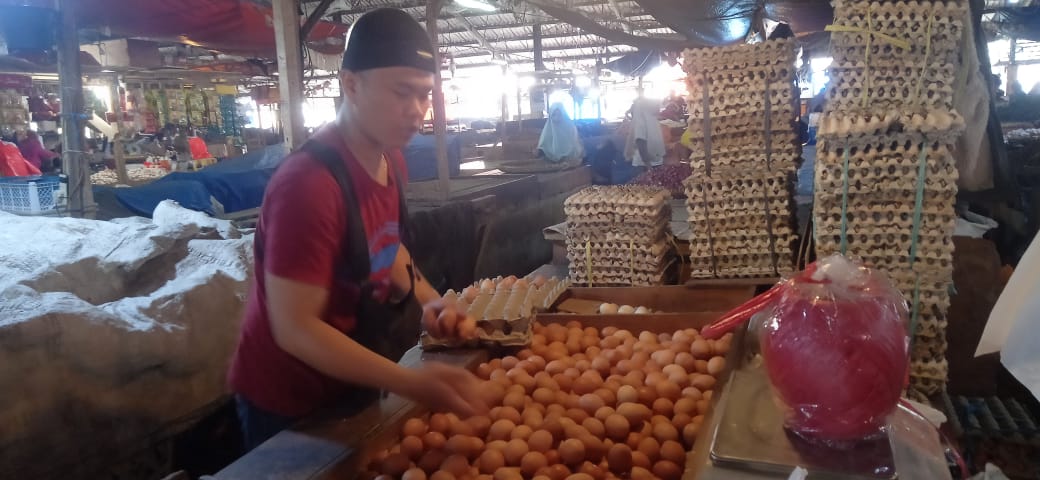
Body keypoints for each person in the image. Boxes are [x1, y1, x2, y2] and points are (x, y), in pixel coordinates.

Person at [228, 8, 487, 451]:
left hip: (348, 378)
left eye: (425, 95)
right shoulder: (308, 185)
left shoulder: (389, 158)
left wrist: (432, 300)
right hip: (290, 400)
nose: (417, 111)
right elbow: (296, 330)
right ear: (350, 84)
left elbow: (385, 246)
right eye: (402, 92)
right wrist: (411, 382)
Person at [626, 96, 666, 169]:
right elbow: (640, 142)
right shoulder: (641, 122)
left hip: (655, 161)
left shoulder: (652, 119)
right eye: (657, 106)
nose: (659, 109)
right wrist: (648, 165)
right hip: (644, 165)